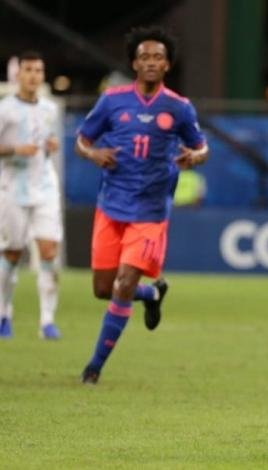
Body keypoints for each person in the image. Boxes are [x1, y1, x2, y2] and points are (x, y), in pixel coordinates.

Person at [75, 26, 209, 384]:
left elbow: (202, 147)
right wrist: (93, 154)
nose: (151, 62)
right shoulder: (112, 101)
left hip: (150, 212)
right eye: (145, 57)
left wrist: (195, 157)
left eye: (158, 57)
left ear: (167, 65)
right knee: (102, 289)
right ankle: (150, 294)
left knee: (122, 285)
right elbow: (82, 140)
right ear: (134, 64)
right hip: (111, 205)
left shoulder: (179, 107)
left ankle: (93, 368)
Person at [0, 51, 63, 340]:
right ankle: (4, 314)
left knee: (49, 251)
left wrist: (52, 144)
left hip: (45, 186)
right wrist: (15, 149)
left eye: (38, 70)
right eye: (28, 70)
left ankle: (47, 321)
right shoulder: (5, 109)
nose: (33, 76)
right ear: (18, 74)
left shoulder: (50, 108)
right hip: (12, 187)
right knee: (12, 253)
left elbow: (47, 140)